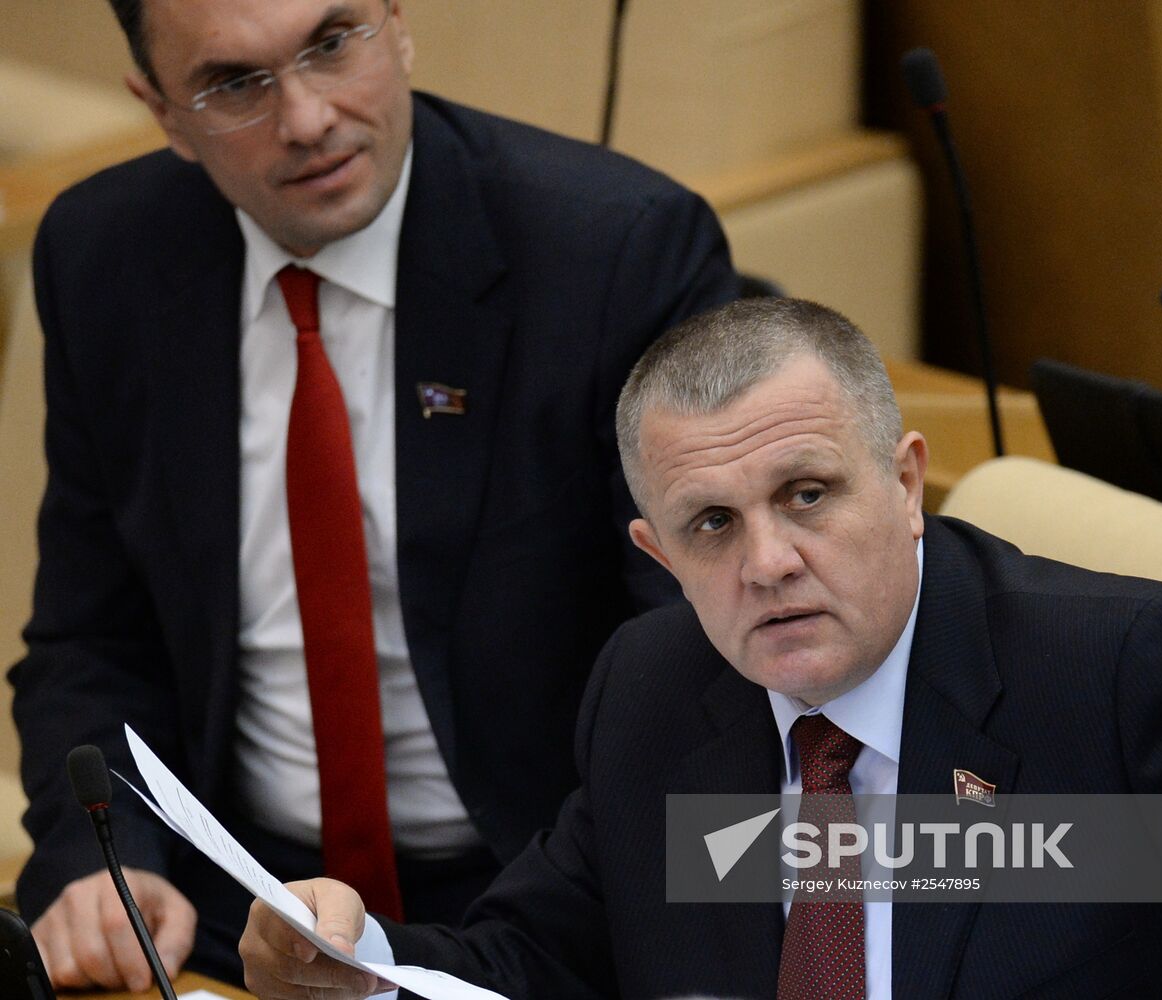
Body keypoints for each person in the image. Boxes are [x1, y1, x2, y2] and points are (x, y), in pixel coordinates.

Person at [240, 297, 1162, 999]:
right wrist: (360, 963)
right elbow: (539, 959)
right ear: (655, 551)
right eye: (711, 524)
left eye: (805, 495)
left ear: (902, 485)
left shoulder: (1132, 679)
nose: (767, 561)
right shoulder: (651, 692)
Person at [9, 0, 738, 991]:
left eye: (331, 42)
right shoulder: (105, 257)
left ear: (398, 23)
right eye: (235, 84)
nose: (306, 118)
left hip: (539, 902)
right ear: (162, 110)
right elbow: (93, 637)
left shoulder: (613, 254)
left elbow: (703, 664)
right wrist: (109, 856)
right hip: (230, 904)